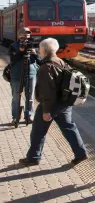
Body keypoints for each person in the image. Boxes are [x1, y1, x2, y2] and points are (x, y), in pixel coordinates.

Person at [19, 38, 87, 166]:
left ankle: (33, 157)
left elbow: (47, 91)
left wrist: (46, 111)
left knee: (38, 130)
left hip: (51, 104)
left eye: (40, 48)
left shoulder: (46, 68)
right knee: (69, 127)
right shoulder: (61, 61)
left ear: (44, 50)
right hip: (64, 102)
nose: (39, 50)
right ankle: (80, 153)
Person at [9, 28, 40, 126]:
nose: (26, 38)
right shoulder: (13, 46)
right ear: (19, 36)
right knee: (16, 97)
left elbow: (40, 61)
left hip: (31, 74)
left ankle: (29, 116)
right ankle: (15, 118)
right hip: (16, 75)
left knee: (30, 97)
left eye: (28, 36)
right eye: (24, 36)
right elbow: (13, 59)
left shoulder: (34, 45)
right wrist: (20, 51)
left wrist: (36, 54)